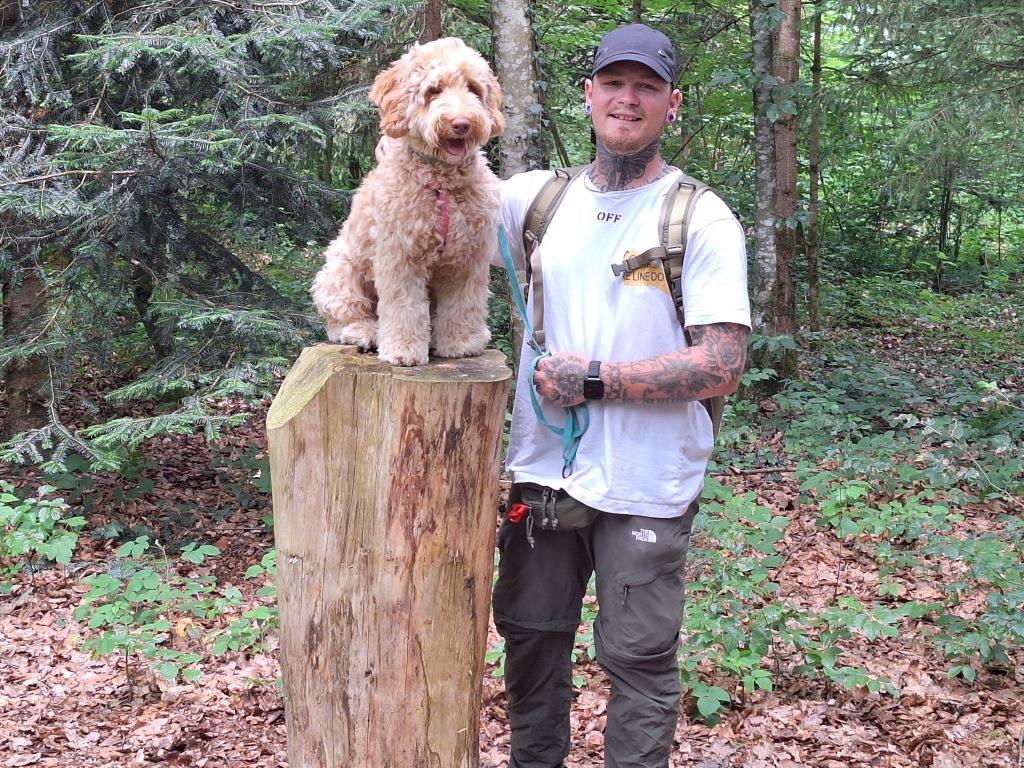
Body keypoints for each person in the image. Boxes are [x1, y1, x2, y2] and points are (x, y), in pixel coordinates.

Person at [490, 23, 752, 768]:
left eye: (646, 87)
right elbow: (437, 207)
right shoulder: (533, 200)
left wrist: (597, 381)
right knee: (533, 641)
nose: (627, 99)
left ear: (674, 104)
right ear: (588, 96)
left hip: (647, 482)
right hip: (544, 474)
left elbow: (722, 362)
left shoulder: (700, 217)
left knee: (638, 661)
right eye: (613, 83)